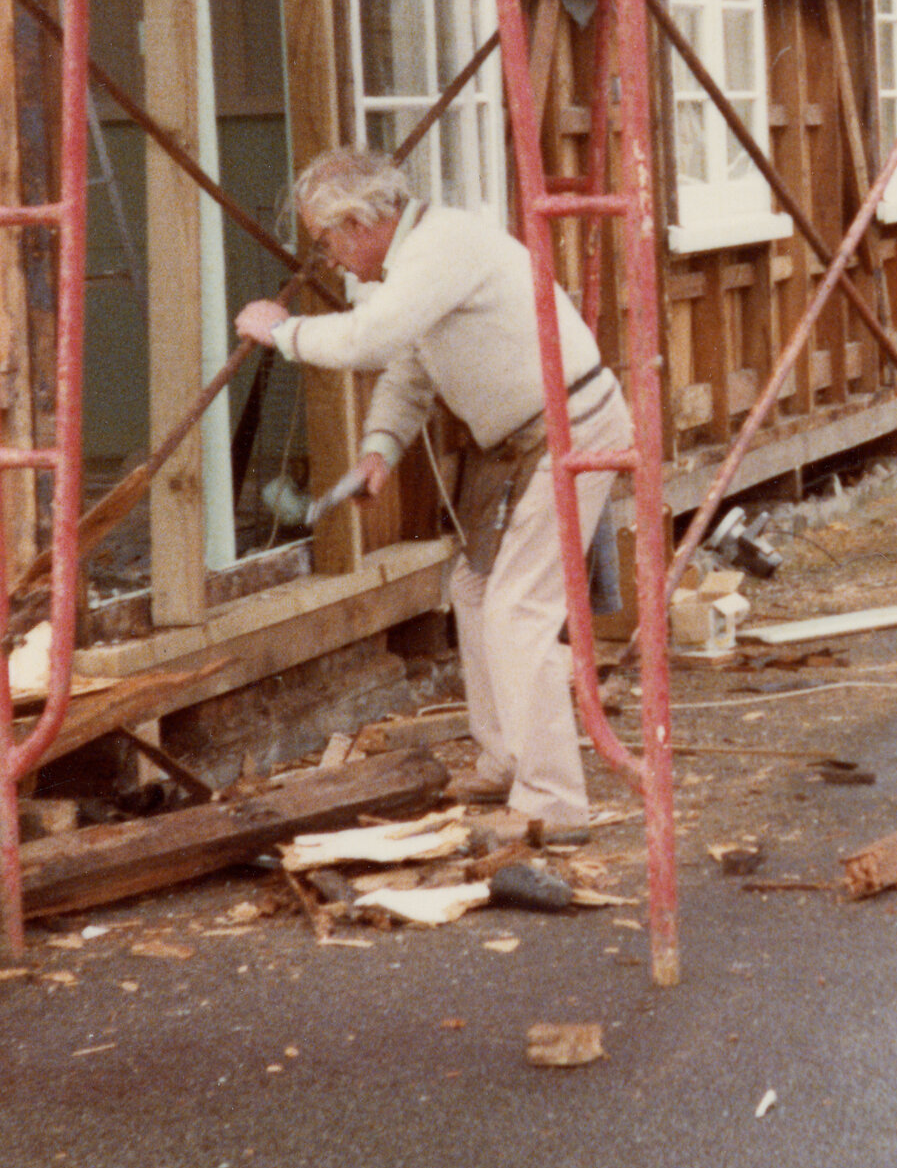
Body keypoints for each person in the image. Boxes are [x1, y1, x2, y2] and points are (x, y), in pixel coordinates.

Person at [235, 150, 629, 835]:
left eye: (326, 240)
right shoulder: (415, 262)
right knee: (476, 592)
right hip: (524, 437)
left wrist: (283, 333)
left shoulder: (442, 246)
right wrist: (380, 450)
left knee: (517, 611)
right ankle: (506, 761)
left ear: (359, 222)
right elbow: (410, 367)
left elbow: (369, 340)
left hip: (570, 423)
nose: (328, 258)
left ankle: (555, 805)